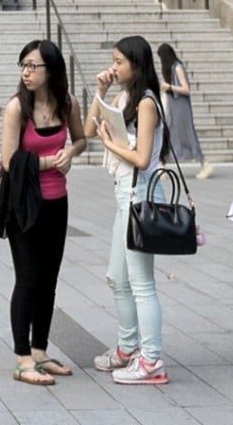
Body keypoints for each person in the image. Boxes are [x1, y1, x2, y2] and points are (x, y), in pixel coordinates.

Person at [0, 41, 86, 386]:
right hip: (24, 204)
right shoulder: (17, 108)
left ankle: (40, 351)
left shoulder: (68, 104)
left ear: (52, 70)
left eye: (33, 66)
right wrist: (50, 161)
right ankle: (22, 358)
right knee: (28, 279)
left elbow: (80, 139)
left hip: (57, 201)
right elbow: (9, 161)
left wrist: (71, 152)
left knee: (48, 281)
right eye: (23, 65)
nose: (26, 72)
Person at [84, 36, 169, 384]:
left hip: (142, 194)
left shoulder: (147, 103)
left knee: (141, 283)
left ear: (137, 64)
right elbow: (88, 130)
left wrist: (110, 144)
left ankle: (151, 362)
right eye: (113, 60)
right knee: (118, 279)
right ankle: (128, 348)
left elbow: (143, 158)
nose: (113, 67)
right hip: (125, 195)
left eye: (119, 61)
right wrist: (99, 94)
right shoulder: (125, 98)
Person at [156, 43, 213, 179]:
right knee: (168, 134)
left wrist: (169, 86)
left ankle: (204, 163)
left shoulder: (178, 68)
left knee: (187, 135)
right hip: (173, 105)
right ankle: (161, 164)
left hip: (180, 107)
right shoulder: (173, 68)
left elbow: (186, 89)